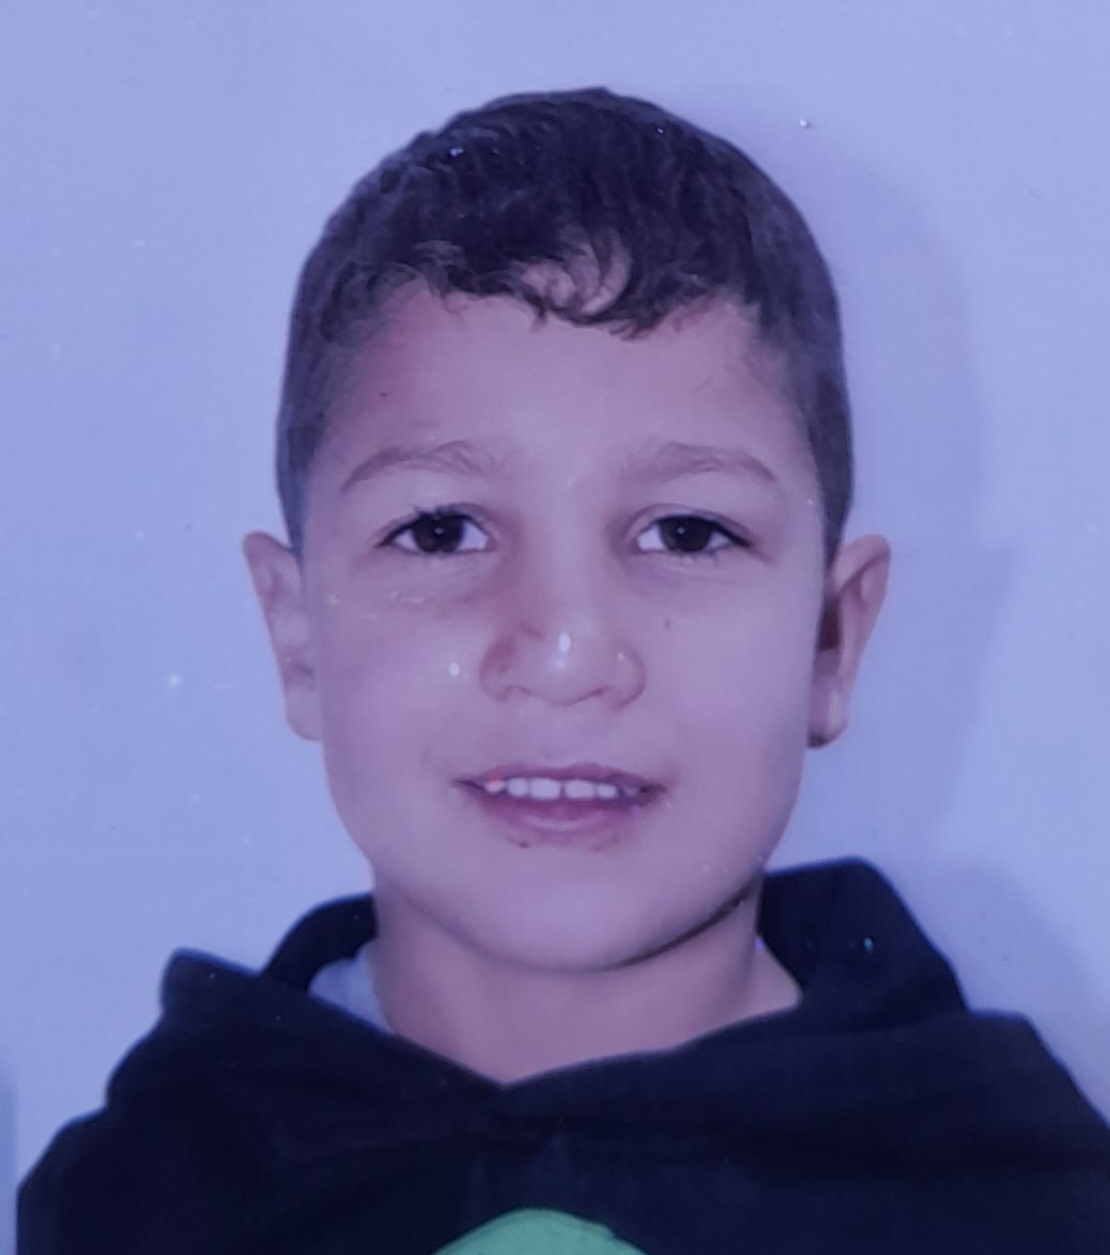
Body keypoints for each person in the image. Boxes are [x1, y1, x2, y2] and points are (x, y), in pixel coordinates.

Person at [19, 89, 1110, 1253]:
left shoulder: (1027, 1208)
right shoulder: (135, 1202)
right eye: (441, 530)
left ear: (831, 639)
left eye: (685, 531)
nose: (566, 651)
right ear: (297, 638)